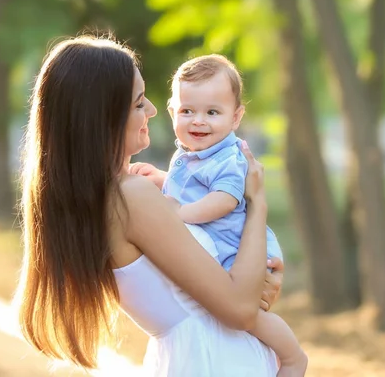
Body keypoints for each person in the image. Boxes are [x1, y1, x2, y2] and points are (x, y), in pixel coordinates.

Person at [15, 35, 286, 377]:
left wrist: (256, 280)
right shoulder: (132, 198)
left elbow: (230, 296)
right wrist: (256, 201)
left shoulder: (109, 197)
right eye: (139, 102)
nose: (154, 111)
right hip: (211, 362)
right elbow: (241, 310)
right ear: (103, 117)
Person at [130, 54, 307, 376]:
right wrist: (161, 181)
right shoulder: (190, 155)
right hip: (220, 244)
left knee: (251, 315)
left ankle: (293, 357)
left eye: (213, 112)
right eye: (187, 111)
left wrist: (179, 212)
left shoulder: (229, 157)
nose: (199, 121)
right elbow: (192, 189)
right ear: (172, 112)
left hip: (234, 242)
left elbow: (224, 199)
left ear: (236, 117)